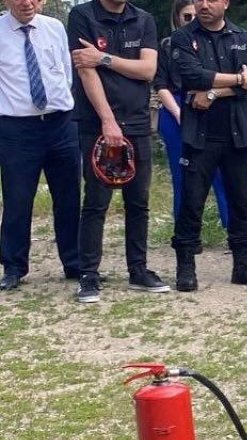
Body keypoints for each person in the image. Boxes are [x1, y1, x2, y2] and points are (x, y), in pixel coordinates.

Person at [68, 0, 168, 304]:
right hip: (98, 123)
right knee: (96, 203)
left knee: (139, 201)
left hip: (137, 121)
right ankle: (89, 275)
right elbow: (86, 70)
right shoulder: (82, 15)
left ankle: (138, 270)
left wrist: (104, 58)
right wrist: (108, 121)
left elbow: (148, 70)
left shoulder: (144, 19)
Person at [168, 0, 247, 290]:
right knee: (191, 202)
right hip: (199, 134)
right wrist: (238, 79)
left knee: (241, 200)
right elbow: (191, 76)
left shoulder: (242, 37)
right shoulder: (183, 37)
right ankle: (186, 267)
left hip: (237, 133)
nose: (203, 4)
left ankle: (243, 265)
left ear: (225, 3)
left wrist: (212, 93)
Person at [0, 0, 81, 292]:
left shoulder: (55, 27)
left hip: (61, 123)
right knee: (18, 200)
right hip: (17, 128)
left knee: (69, 196)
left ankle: (74, 262)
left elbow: (65, 73)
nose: (26, 2)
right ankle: (13, 267)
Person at [155, 0, 231, 234]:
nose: (192, 19)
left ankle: (232, 228)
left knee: (222, 172)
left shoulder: (217, 41)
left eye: (194, 15)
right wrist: (178, 112)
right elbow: (161, 84)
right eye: (186, 17)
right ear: (177, 18)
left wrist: (212, 94)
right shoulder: (168, 45)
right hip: (175, 107)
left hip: (214, 104)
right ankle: (186, 232)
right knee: (183, 175)